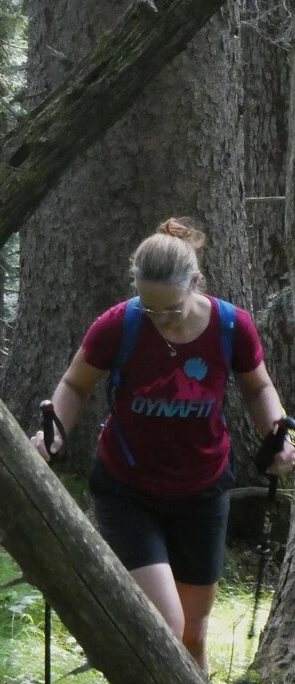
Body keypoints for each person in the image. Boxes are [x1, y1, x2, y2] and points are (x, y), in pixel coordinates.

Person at [30, 218, 295, 673]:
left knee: (193, 635)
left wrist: (279, 434)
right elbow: (74, 386)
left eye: (170, 309)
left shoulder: (232, 326)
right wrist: (55, 432)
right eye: (149, 310)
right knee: (164, 628)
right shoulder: (119, 324)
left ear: (194, 283)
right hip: (128, 490)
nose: (160, 320)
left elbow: (258, 389)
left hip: (204, 490)